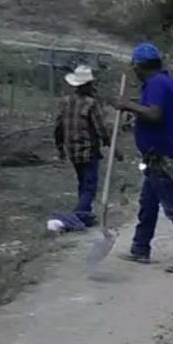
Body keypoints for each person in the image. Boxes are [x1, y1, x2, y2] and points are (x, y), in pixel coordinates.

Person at [117, 42, 173, 273]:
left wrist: (128, 106)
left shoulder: (156, 84)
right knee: (148, 204)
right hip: (157, 157)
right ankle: (140, 248)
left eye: (134, 66)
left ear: (140, 66)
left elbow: (154, 113)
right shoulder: (161, 83)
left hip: (163, 159)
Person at [54, 65, 112, 227]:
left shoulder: (65, 102)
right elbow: (100, 128)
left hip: (72, 150)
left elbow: (58, 127)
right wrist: (110, 145)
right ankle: (77, 217)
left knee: (82, 182)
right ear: (87, 85)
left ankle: (85, 215)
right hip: (88, 150)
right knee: (89, 186)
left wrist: (60, 149)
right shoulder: (91, 103)